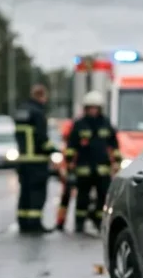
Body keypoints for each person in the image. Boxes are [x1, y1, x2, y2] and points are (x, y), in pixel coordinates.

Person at [66, 91, 120, 232]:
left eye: (95, 107)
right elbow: (71, 146)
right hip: (84, 169)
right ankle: (79, 223)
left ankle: (99, 221)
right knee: (82, 198)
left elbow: (114, 145)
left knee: (103, 198)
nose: (93, 110)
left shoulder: (106, 123)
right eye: (90, 107)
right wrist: (70, 161)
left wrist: (117, 162)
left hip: (102, 169)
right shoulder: (79, 124)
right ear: (86, 108)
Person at [13, 84, 57, 232]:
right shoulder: (38, 113)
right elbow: (42, 140)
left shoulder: (21, 112)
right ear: (41, 96)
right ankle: (35, 224)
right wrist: (55, 150)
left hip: (22, 161)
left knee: (24, 193)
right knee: (37, 193)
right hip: (37, 162)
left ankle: (23, 223)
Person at [54, 117, 77, 232]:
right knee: (65, 198)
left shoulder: (75, 143)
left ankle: (61, 221)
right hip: (70, 173)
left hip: (78, 171)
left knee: (67, 198)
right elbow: (63, 162)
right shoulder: (66, 146)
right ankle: (60, 221)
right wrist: (63, 173)